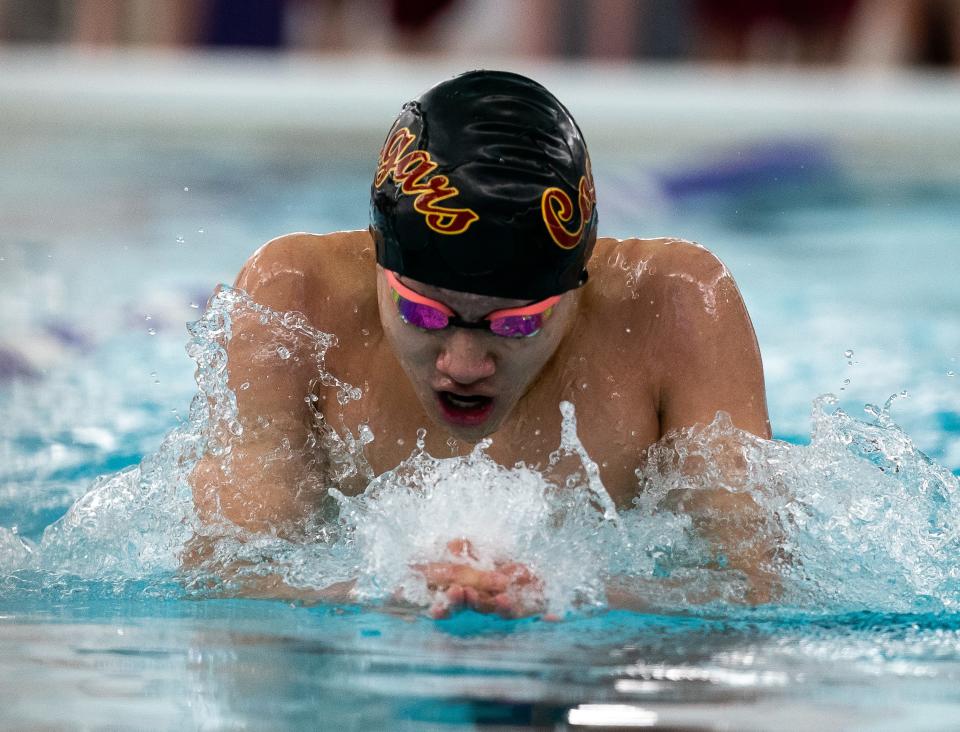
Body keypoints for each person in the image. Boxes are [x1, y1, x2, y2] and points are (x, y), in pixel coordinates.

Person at [190, 70, 772, 617]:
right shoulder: (295, 301)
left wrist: (573, 594)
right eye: (423, 313)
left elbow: (755, 584)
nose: (463, 365)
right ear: (376, 261)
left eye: (514, 324)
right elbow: (225, 574)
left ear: (579, 282)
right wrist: (375, 595)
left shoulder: (676, 305)